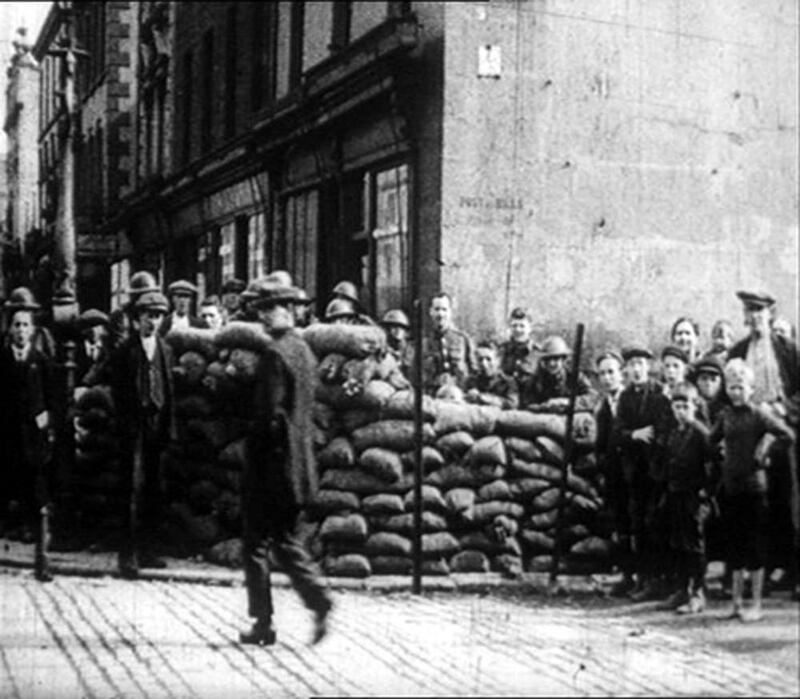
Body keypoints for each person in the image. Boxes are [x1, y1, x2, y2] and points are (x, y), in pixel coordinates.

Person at [239, 282, 332, 646]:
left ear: (288, 311)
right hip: (299, 466)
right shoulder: (305, 351)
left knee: (257, 544)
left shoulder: (275, 355)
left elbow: (270, 419)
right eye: (261, 309)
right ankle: (315, 599)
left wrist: (256, 463)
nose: (262, 316)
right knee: (286, 540)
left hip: (272, 467)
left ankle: (265, 622)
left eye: (270, 308)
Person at [709, 359, 795, 621]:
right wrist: (721, 452)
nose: (736, 392)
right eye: (732, 387)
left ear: (752, 388)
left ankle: (755, 604)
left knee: (755, 545)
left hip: (755, 487)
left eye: (741, 387)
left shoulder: (758, 413)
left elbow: (786, 434)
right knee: (734, 546)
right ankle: (735, 604)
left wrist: (765, 446)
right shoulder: (725, 415)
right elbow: (711, 440)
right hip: (731, 487)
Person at [728, 291, 799, 597]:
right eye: (750, 312)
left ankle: (794, 571)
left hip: (784, 431)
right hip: (751, 434)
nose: (755, 318)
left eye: (760, 312)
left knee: (789, 499)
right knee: (760, 503)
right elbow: (728, 395)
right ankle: (766, 569)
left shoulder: (788, 349)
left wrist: (784, 409)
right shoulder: (740, 350)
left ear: (770, 314)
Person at [109, 291, 175, 578]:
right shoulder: (126, 352)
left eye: (158, 316)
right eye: (148, 316)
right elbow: (117, 393)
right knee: (130, 489)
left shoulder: (166, 350)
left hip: (157, 425)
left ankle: (148, 550)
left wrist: (168, 426)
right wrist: (125, 424)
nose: (153, 322)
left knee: (154, 487)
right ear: (137, 319)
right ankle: (127, 553)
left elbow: (170, 390)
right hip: (133, 426)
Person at [611, 343, 672, 601]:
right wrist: (634, 434)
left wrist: (649, 437)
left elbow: (662, 428)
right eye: (632, 365)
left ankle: (657, 579)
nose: (636, 370)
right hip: (633, 470)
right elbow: (617, 432)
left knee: (655, 523)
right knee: (637, 524)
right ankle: (642, 579)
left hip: (655, 469)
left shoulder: (659, 395)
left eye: (640, 365)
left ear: (648, 367)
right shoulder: (625, 397)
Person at [0, 299, 54, 581]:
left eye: (25, 325)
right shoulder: (2, 359)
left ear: (32, 331)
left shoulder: (40, 362)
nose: (21, 331)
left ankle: (41, 560)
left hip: (33, 439)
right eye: (16, 325)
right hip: (6, 438)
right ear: (9, 329)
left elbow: (50, 400)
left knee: (38, 496)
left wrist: (44, 427)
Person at [659, 382, 711, 614]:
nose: (681, 411)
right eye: (676, 406)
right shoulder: (674, 433)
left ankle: (698, 592)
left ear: (695, 406)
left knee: (694, 545)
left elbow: (714, 463)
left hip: (694, 496)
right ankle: (681, 589)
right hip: (676, 493)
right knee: (677, 542)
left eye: (685, 406)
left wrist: (706, 492)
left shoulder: (701, 433)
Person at [593, 349, 631, 596]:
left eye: (611, 372)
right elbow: (601, 443)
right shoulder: (602, 408)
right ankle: (627, 575)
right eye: (602, 374)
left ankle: (647, 576)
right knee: (621, 524)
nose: (607, 378)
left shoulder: (631, 401)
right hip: (615, 474)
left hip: (635, 472)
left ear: (622, 375)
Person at [520, 335, 596, 412]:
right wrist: (546, 406)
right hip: (545, 420)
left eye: (556, 359)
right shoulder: (536, 379)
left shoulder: (575, 376)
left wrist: (568, 402)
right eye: (547, 359)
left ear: (563, 360)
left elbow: (592, 398)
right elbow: (527, 403)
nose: (551, 364)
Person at [421, 292, 477, 395]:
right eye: (437, 309)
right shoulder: (423, 342)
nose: (440, 314)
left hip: (460, 395)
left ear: (450, 312)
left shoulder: (463, 340)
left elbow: (474, 370)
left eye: (444, 309)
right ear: (430, 312)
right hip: (433, 397)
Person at [464, 341, 519, 409]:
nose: (484, 364)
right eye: (480, 359)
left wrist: (482, 397)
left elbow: (512, 405)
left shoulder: (508, 382)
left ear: (498, 360)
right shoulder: (471, 381)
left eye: (488, 359)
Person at [498, 307, 539, 386]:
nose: (518, 330)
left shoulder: (538, 353)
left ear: (530, 328)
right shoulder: (501, 350)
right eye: (514, 326)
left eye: (522, 326)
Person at [75, 309, 110, 386]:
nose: (93, 330)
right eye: (89, 326)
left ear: (103, 329)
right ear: (83, 330)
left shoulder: (109, 351)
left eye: (97, 326)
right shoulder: (75, 350)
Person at [381, 309, 414, 379]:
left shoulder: (409, 349)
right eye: (393, 326)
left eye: (401, 327)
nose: (397, 330)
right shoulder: (382, 349)